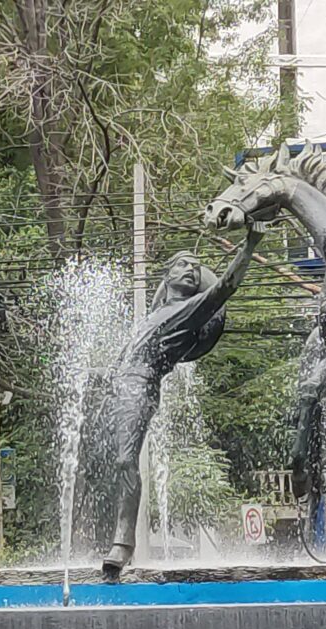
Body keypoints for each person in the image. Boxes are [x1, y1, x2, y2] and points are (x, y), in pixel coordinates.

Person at [102, 227, 264, 579]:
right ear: (168, 275)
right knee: (114, 462)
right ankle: (118, 538)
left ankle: (122, 542)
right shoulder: (152, 314)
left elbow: (224, 288)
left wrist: (249, 247)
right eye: (183, 265)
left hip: (141, 384)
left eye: (196, 267)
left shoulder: (190, 309)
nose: (191, 269)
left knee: (124, 458)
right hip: (119, 384)